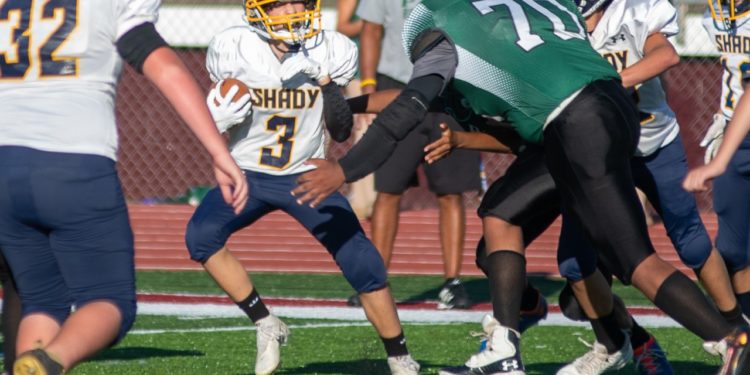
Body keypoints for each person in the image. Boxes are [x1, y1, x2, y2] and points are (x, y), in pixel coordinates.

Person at [291, 0, 750, 374]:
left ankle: (730, 339)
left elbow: (412, 103)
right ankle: (505, 344)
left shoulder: (438, 24)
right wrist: (349, 103)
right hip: (605, 112)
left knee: (634, 259)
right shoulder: (523, 14)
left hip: (577, 124)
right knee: (501, 214)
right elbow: (428, 96)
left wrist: (344, 170)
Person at [0, 1, 249, 374]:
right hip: (74, 162)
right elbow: (163, 66)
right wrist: (218, 150)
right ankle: (51, 360)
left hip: (5, 165)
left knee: (40, 300)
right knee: (110, 300)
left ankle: (32, 362)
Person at [183, 1, 419, 374]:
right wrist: (219, 116)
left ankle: (400, 357)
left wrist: (324, 83)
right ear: (260, 10)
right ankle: (265, 322)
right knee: (201, 236)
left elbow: (341, 130)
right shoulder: (236, 47)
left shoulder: (330, 48)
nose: (292, 10)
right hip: (249, 173)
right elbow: (216, 115)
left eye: (299, 2)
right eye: (281, 4)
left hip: (306, 174)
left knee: (363, 262)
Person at [349, 0, 482, 310]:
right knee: (388, 189)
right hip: (398, 88)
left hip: (450, 90)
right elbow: (370, 29)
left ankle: (452, 283)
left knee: (450, 192)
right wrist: (368, 86)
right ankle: (376, 280)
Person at [684, 0, 750, 318]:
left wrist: (720, 160)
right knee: (732, 251)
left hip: (736, 138)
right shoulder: (718, 12)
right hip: (738, 133)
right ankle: (745, 336)